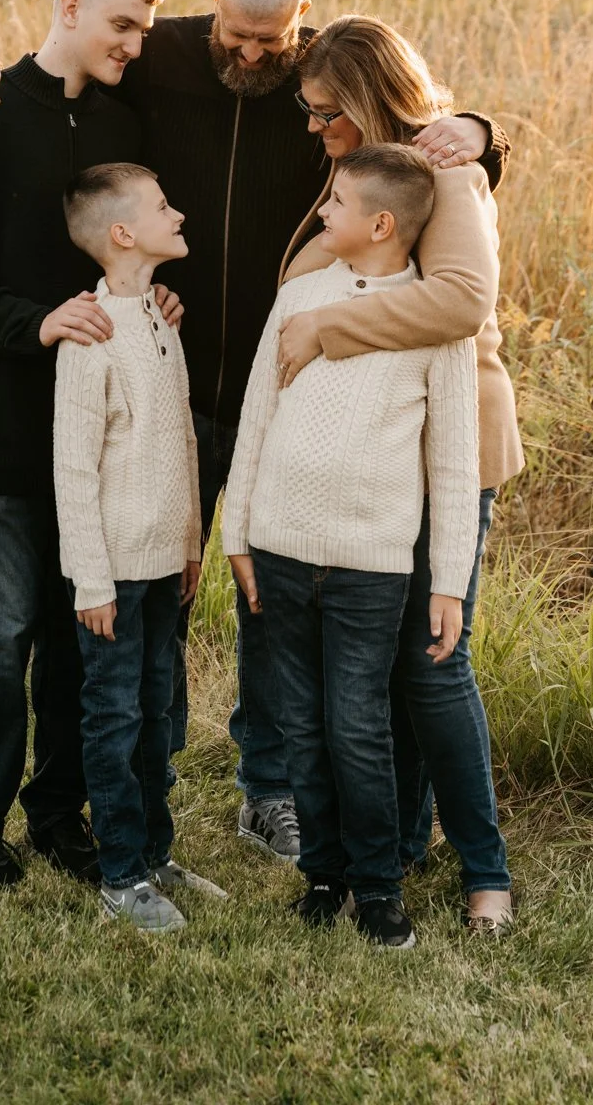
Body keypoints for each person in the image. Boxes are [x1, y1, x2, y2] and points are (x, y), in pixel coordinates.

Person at [0, 0, 507, 863]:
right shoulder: (157, 50)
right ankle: (123, 803)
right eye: (237, 36)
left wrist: (479, 130)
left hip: (284, 396)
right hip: (166, 380)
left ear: (303, 21)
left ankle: (271, 791)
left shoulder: (322, 81)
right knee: (145, 596)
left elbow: (419, 145)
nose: (252, 57)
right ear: (209, 9)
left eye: (271, 43)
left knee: (268, 606)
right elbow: (62, 54)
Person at [0, 0, 178, 890]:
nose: (135, 45)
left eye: (144, 30)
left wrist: (147, 299)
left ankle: (61, 818)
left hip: (98, 440)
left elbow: (126, 245)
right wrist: (36, 325)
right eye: (120, 26)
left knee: (79, 641)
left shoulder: (123, 115)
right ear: (67, 8)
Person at [274, 15, 523, 933]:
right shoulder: (362, 175)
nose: (314, 126)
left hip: (448, 452)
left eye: (326, 110)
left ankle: (484, 874)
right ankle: (402, 846)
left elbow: (461, 300)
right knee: (380, 670)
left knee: (430, 665)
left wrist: (326, 328)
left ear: (368, 97)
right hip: (375, 455)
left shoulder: (442, 174)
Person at [224, 145, 479, 950]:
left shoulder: (431, 318)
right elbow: (257, 414)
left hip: (372, 561)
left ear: (379, 223)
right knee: (301, 723)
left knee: (358, 727)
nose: (320, 212)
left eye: (333, 202)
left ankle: (377, 889)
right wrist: (237, 533)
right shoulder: (301, 294)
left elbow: (452, 459)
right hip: (281, 548)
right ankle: (323, 877)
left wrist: (446, 582)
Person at [54, 162, 227, 931]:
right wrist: (90, 581)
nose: (179, 213)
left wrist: (191, 543)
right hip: (115, 573)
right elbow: (72, 466)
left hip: (165, 564)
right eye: (163, 206)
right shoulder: (89, 336)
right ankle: (120, 873)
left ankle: (156, 853)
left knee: (159, 713)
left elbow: (179, 443)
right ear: (123, 233)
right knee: (114, 718)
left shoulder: (159, 318)